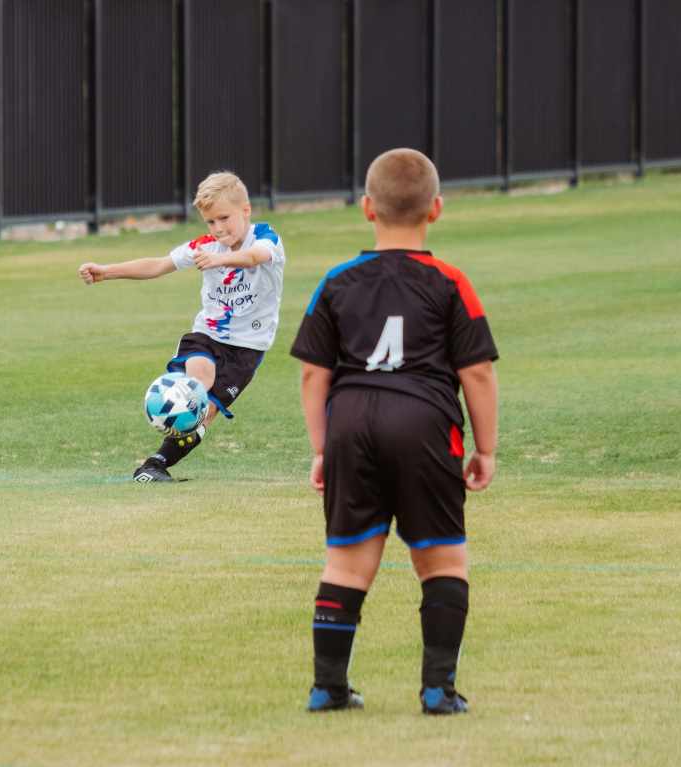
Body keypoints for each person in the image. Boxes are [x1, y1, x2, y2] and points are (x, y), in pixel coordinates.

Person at [289, 148, 499, 715]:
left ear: (366, 208)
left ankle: (327, 687)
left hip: (352, 424)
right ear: (436, 208)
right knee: (443, 562)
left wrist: (321, 447)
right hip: (426, 424)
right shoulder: (451, 282)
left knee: (346, 564)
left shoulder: (336, 281)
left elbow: (314, 371)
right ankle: (438, 689)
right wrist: (485, 448)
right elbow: (475, 370)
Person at [78, 172, 286, 482]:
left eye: (224, 218)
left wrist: (222, 262)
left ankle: (157, 462)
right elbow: (159, 264)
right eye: (210, 222)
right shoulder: (206, 245)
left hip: (248, 347)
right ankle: (153, 462)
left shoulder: (266, 237)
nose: (217, 229)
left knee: (206, 413)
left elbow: (255, 257)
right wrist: (107, 271)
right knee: (197, 386)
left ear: (246, 211)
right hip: (207, 335)